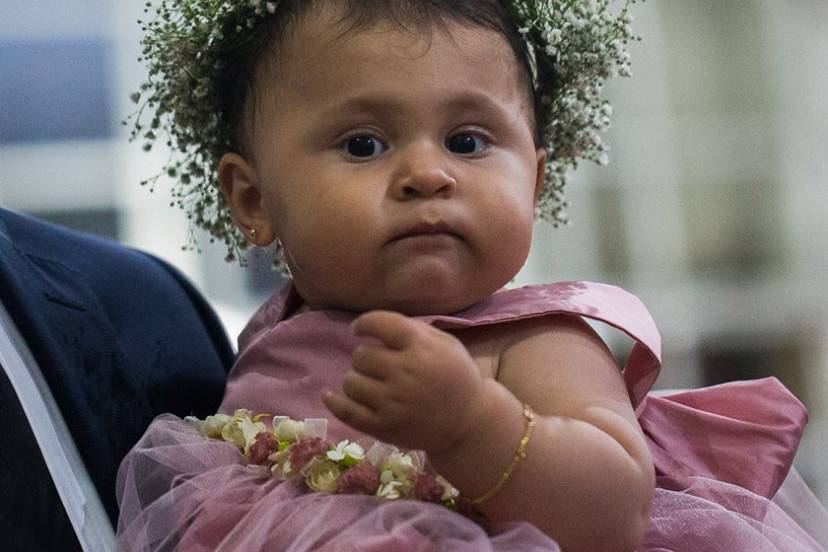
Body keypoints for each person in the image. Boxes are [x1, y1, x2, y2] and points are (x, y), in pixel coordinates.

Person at [116, 1, 828, 551]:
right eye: (364, 144)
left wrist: (472, 422)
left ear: (536, 180)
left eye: (468, 141)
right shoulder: (275, 334)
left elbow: (615, 514)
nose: (428, 173)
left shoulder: (532, 340)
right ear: (254, 200)